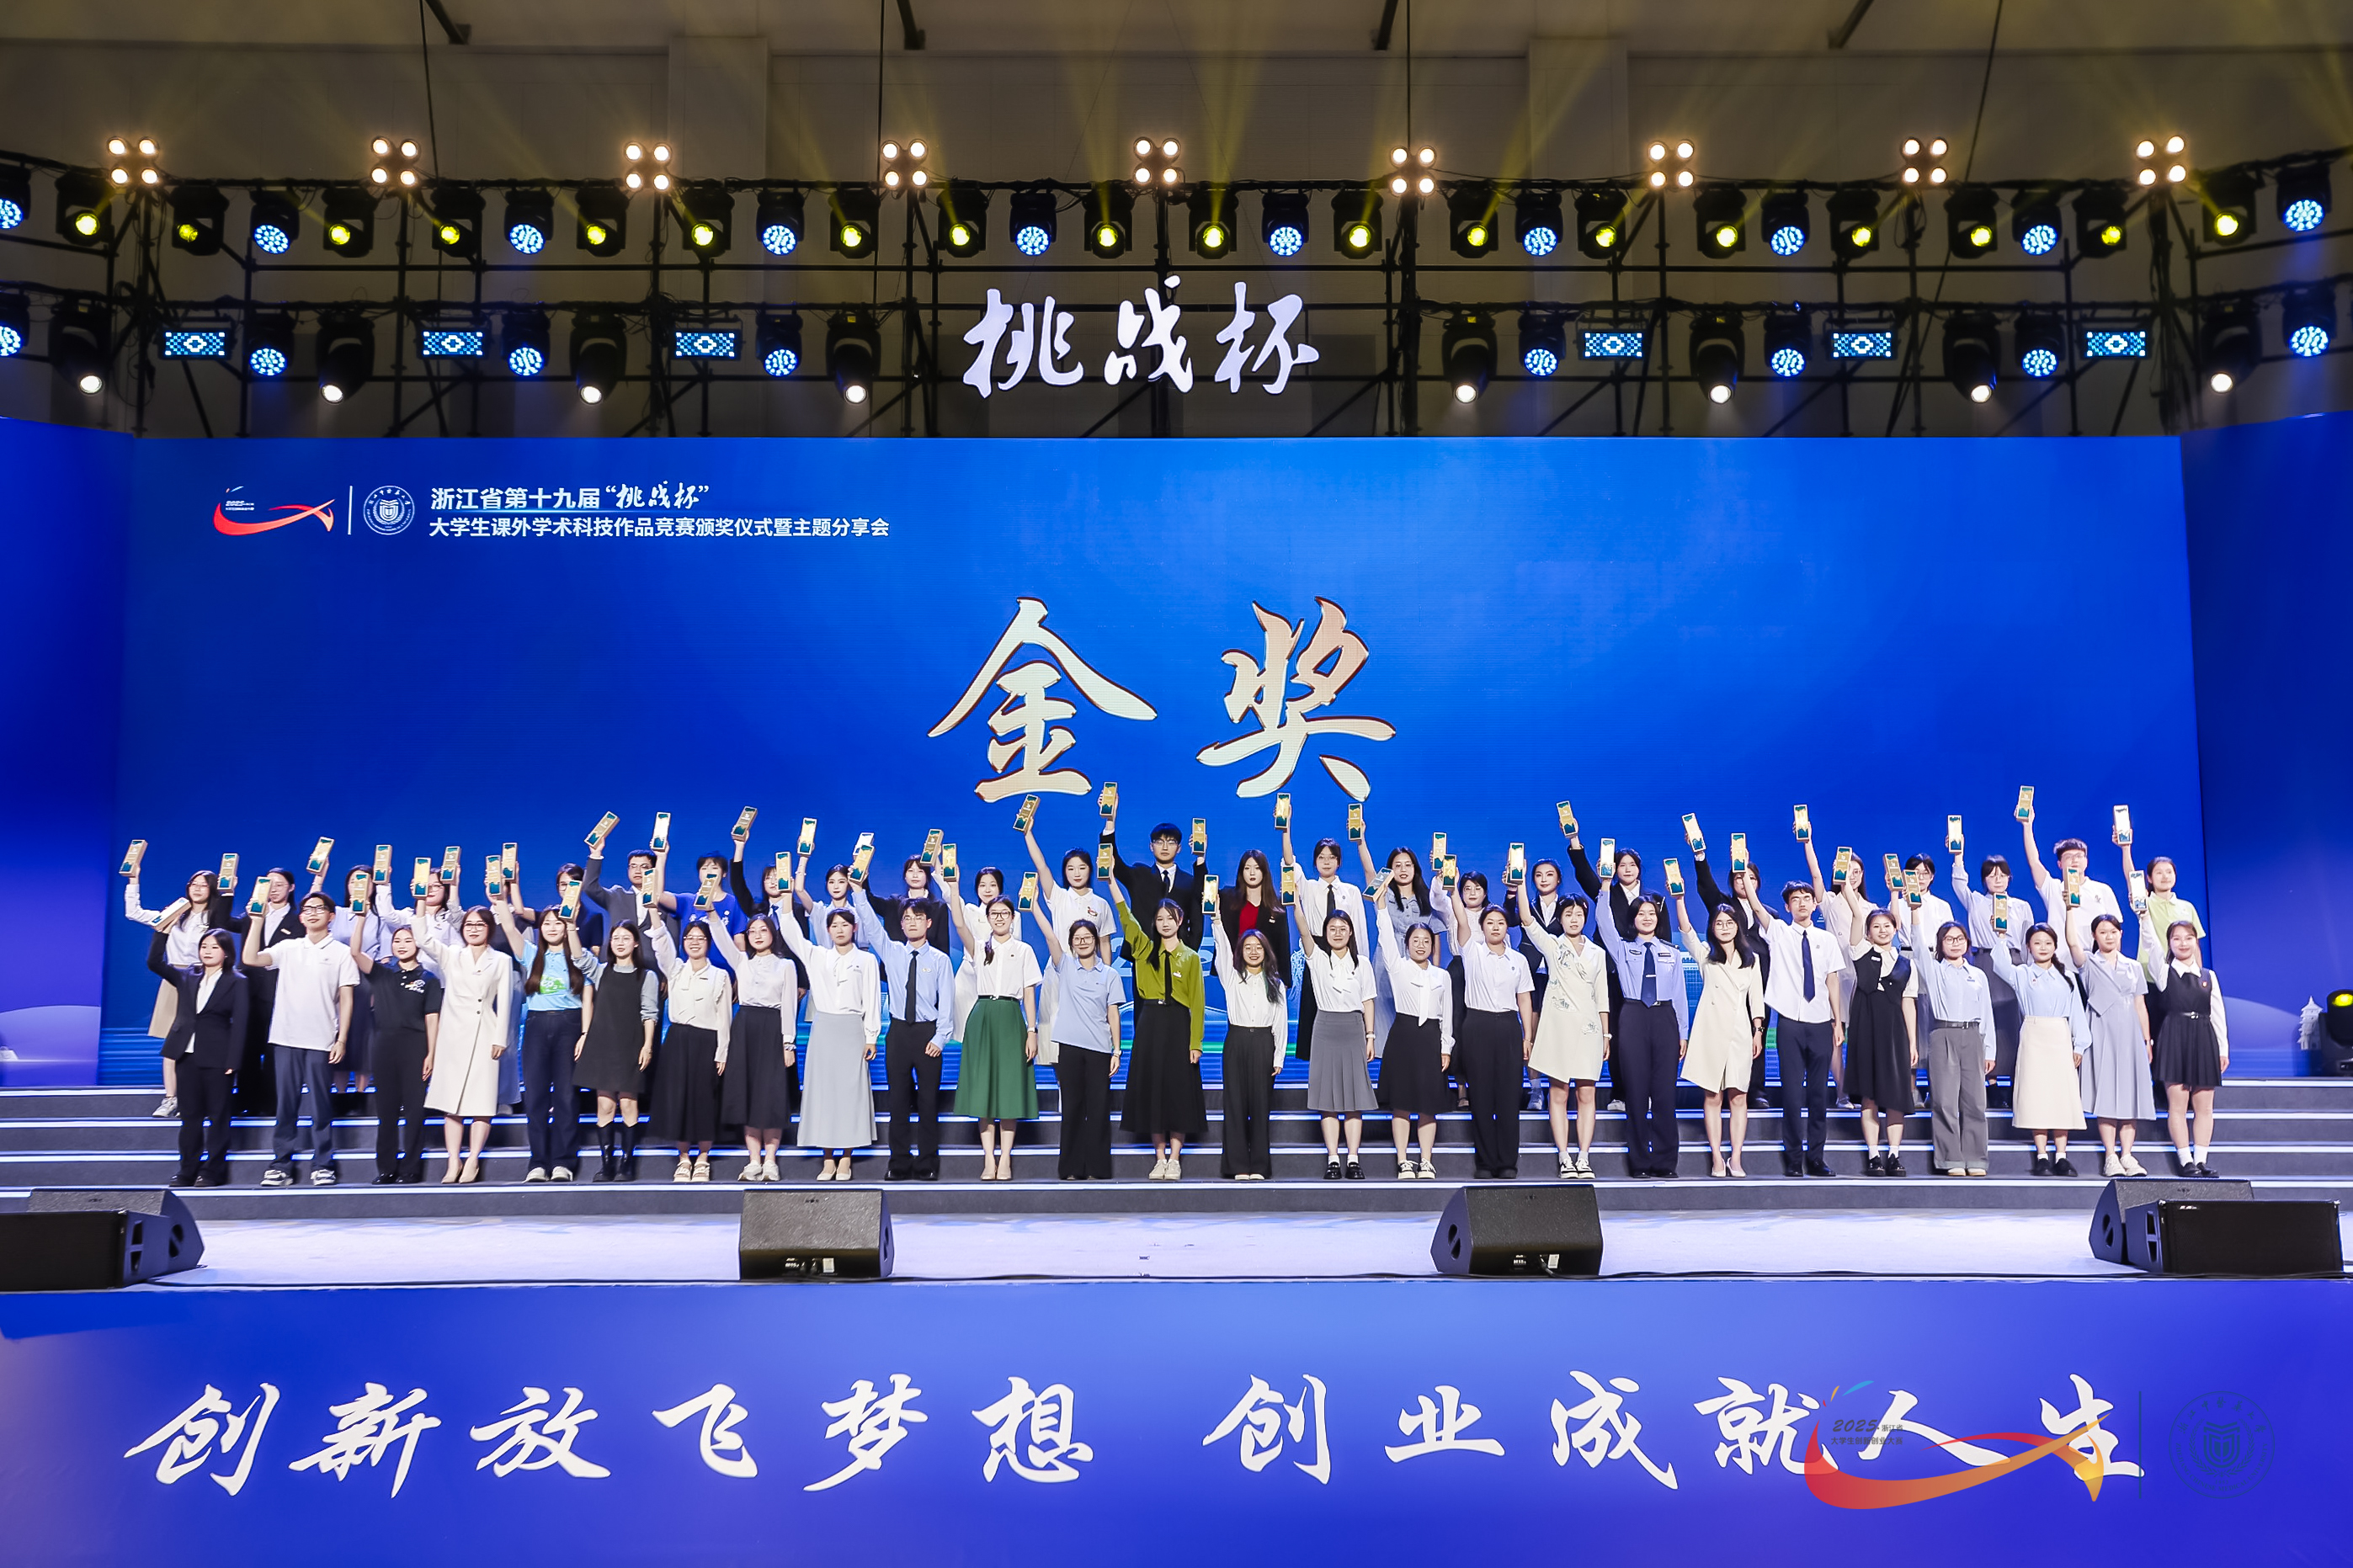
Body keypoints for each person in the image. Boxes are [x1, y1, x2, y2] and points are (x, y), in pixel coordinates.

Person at [242, 890, 358, 1187]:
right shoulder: (289, 947)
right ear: (301, 917)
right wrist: (257, 921)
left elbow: (346, 998)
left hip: (322, 1040)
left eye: (319, 908)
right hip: (286, 1038)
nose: (312, 913)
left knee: (321, 1106)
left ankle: (323, 1163)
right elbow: (250, 958)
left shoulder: (341, 952)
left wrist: (342, 1038)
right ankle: (281, 1164)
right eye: (307, 909)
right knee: (286, 1105)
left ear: (331, 916)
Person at [942, 869, 1041, 1181]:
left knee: (1009, 1091)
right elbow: (959, 923)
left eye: (1004, 913)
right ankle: (988, 1159)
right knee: (983, 1090)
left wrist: (1032, 1030)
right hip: (982, 1016)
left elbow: (1029, 993)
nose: (999, 918)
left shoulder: (1024, 950)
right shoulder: (978, 947)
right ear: (987, 918)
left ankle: (1006, 1158)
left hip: (1011, 1017)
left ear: (1013, 918)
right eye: (994, 914)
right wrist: (954, 885)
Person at [1744, 877, 1847, 1178]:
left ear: (1815, 904)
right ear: (1787, 907)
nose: (1802, 903)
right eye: (1795, 899)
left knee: (1818, 1094)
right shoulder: (1778, 932)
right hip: (1789, 1024)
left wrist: (1837, 1021)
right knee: (1791, 1095)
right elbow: (1756, 906)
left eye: (1807, 898)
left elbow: (1832, 981)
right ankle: (1793, 1158)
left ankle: (1816, 1158)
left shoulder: (1827, 940)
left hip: (1821, 1023)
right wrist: (1742, 867)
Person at [411, 902, 515, 1183]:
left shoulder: (501, 960)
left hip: (485, 1034)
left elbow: (505, 1001)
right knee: (452, 1102)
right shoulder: (452, 954)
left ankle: (473, 1160)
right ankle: (453, 1160)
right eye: (469, 924)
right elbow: (422, 938)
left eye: (480, 924)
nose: (474, 929)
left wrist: (500, 1038)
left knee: (482, 1102)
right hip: (453, 1036)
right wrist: (420, 902)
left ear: (489, 929)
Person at [775, 905, 880, 1181]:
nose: (840, 930)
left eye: (845, 925)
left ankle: (846, 1157)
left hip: (852, 1029)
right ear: (828, 930)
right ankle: (828, 1158)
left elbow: (871, 998)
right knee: (824, 1094)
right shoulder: (817, 955)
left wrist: (871, 1036)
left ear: (854, 928)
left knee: (850, 1095)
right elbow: (791, 934)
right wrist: (786, 901)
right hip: (824, 1030)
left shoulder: (866, 960)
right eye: (834, 925)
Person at [1113, 879, 1209, 1179]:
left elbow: (1198, 1004)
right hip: (1150, 1023)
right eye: (1159, 919)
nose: (1165, 923)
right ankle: (1159, 1158)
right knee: (1154, 1091)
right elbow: (1126, 918)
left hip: (1179, 1024)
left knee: (1178, 1092)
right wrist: (1111, 882)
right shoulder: (1144, 950)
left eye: (1170, 918)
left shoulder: (1191, 958)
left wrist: (1196, 1043)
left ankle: (1175, 1159)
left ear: (1180, 921)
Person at [853, 895, 953, 1181]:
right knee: (897, 1102)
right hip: (898, 1033)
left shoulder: (940, 960)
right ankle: (898, 1162)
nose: (912, 923)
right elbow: (872, 926)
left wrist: (940, 1038)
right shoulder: (892, 951)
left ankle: (927, 1162)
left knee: (928, 1103)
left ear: (929, 923)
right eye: (907, 918)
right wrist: (858, 892)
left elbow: (947, 1004)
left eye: (918, 918)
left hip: (927, 1034)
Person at [125, 862, 236, 1119]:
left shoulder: (215, 919)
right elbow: (134, 913)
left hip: (206, 978)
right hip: (174, 978)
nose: (197, 889)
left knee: (204, 1040)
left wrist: (229, 891)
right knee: (172, 1042)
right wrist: (133, 879)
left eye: (204, 885)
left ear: (212, 890)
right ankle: (170, 1098)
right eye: (193, 884)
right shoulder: (174, 914)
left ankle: (200, 1098)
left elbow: (227, 923)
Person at [1591, 893, 1688, 1177]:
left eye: (1651, 914)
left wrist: (1683, 1033)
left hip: (1664, 1017)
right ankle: (1640, 1163)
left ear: (1658, 919)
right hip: (1633, 1016)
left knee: (1664, 1094)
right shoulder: (1622, 949)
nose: (1647, 918)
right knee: (1635, 1093)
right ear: (1633, 919)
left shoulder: (1672, 952)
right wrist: (1605, 887)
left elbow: (1680, 995)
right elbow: (1603, 921)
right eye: (1641, 913)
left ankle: (1665, 1162)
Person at [1514, 885, 1607, 1177]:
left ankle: (1584, 1157)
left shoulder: (1597, 953)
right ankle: (1565, 1156)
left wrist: (1606, 1035)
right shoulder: (1553, 946)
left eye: (1579, 914)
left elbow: (1602, 997)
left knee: (1587, 1095)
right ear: (1560, 919)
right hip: (1558, 1029)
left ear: (1585, 918)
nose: (1574, 919)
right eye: (1568, 914)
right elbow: (1527, 919)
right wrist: (1519, 883)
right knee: (1558, 1093)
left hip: (1589, 1030)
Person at [145, 921, 247, 1187]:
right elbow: (154, 963)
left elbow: (241, 1023)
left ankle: (212, 1172)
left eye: (214, 947)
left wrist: (234, 1060)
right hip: (186, 1056)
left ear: (226, 952)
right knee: (190, 1117)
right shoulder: (188, 975)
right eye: (204, 947)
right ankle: (187, 1170)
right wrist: (162, 933)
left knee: (218, 1117)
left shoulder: (237, 981)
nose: (208, 951)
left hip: (218, 1058)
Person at [495, 901, 589, 1182]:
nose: (551, 927)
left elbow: (588, 999)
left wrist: (585, 1034)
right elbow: (509, 927)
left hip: (570, 1025)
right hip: (537, 1027)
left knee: (566, 1097)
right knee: (535, 1097)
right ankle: (538, 1162)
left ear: (566, 926)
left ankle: (563, 1162)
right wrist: (499, 896)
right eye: (546, 922)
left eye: (557, 922)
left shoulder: (579, 956)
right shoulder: (531, 954)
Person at [344, 909, 440, 1185]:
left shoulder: (429, 979)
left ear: (417, 944)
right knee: (386, 1112)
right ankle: (386, 1168)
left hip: (415, 1047)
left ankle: (410, 1169)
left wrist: (431, 1054)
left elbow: (432, 1019)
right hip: (384, 1046)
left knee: (414, 1112)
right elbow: (355, 952)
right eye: (397, 941)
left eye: (408, 940)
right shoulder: (382, 973)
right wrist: (361, 917)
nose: (401, 945)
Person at [1988, 922, 2091, 1176]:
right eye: (2037, 943)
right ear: (2028, 947)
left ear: (2055, 946)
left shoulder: (2067, 977)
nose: (2043, 947)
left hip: (2060, 1035)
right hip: (2034, 1035)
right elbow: (2000, 965)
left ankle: (2062, 1156)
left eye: (2048, 943)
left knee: (2061, 1097)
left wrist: (2079, 1044)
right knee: (2037, 1096)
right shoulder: (2022, 974)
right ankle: (2042, 1155)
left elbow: (2077, 1011)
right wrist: (2001, 936)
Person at [1674, 894, 1765, 1179]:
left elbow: (1757, 1000)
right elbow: (1687, 930)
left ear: (1738, 926)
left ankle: (1735, 1157)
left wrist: (1758, 1031)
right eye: (1719, 923)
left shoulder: (1751, 960)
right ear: (1712, 928)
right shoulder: (1706, 956)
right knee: (1713, 1096)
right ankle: (1716, 1156)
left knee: (1739, 1097)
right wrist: (1680, 899)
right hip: (1710, 1031)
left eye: (1729, 922)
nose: (1724, 927)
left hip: (1740, 1033)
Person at [1035, 911, 1126, 1181]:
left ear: (1096, 941)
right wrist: (1034, 905)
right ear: (1071, 943)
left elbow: (1113, 1015)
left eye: (1088, 937)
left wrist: (1117, 1051)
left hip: (1100, 1050)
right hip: (1070, 1049)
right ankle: (1072, 1168)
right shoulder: (1065, 966)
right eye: (1077, 938)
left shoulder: (1110, 974)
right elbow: (1051, 938)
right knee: (1072, 1109)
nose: (1083, 942)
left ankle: (1098, 1168)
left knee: (1098, 1110)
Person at [1905, 911, 1997, 1177]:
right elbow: (1918, 946)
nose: (1955, 943)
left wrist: (1990, 1050)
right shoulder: (1934, 971)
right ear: (1941, 943)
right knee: (1945, 1101)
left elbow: (1987, 1013)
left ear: (1967, 943)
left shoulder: (1978, 975)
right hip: (1943, 1034)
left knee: (1975, 1101)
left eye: (1960, 939)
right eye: (1949, 939)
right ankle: (1950, 1158)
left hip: (1973, 1036)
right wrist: (1915, 910)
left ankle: (1976, 1158)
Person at [1020, 817, 1115, 1069]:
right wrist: (1028, 833)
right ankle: (1065, 1092)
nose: (1076, 873)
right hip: (1059, 974)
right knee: (1056, 1044)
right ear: (1064, 872)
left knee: (1089, 1040)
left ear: (1090, 870)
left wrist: (1105, 978)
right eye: (1071, 868)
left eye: (1082, 868)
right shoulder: (1058, 897)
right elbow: (1041, 866)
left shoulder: (1101, 904)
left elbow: (1105, 944)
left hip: (1091, 977)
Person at [716, 913, 804, 1182]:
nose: (757, 935)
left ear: (772, 934)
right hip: (745, 1028)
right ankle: (753, 1160)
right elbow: (720, 938)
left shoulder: (786, 965)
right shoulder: (742, 961)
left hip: (773, 1028)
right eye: (752, 931)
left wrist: (788, 1042)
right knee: (748, 1094)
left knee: (771, 1095)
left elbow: (789, 1006)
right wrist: (710, 913)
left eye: (762, 930)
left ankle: (770, 1161)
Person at [647, 917, 734, 1183]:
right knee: (679, 1099)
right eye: (689, 938)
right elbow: (662, 944)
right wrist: (653, 912)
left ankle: (703, 1158)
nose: (694, 943)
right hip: (678, 1041)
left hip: (708, 1041)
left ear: (708, 943)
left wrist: (722, 1051)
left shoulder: (720, 976)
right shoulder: (675, 970)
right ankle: (684, 1158)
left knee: (705, 1100)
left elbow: (725, 1017)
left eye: (700, 938)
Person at [2141, 913, 2230, 1176]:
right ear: (2169, 943)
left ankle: (2201, 1160)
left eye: (2188, 938)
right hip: (2174, 1036)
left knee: (2204, 1107)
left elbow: (2218, 1015)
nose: (2183, 943)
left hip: (2204, 1038)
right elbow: (2150, 944)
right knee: (2177, 1106)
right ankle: (2185, 1161)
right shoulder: (2164, 972)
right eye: (2177, 939)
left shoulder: (2208, 976)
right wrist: (2144, 918)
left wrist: (2222, 1049)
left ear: (2196, 942)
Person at [2068, 913, 2155, 1176]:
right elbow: (2072, 942)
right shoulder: (2088, 963)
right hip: (2101, 1031)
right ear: (2094, 936)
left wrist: (2147, 1040)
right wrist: (2069, 908)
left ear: (2121, 934)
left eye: (2113, 931)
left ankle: (2127, 1155)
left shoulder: (2133, 967)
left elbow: (2140, 1005)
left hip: (2130, 1034)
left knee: (2130, 1095)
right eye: (2103, 932)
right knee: (2106, 1094)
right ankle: (2110, 1156)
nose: (2109, 936)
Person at [1370, 907, 1451, 1179]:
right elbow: (1385, 937)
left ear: (1432, 946)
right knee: (1402, 1103)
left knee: (1429, 1104)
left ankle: (1426, 1161)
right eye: (1415, 940)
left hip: (1431, 1039)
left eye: (1426, 941)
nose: (1420, 945)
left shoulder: (1442, 976)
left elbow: (1447, 1015)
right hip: (1403, 1038)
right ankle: (1403, 1160)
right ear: (1406, 944)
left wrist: (1446, 1048)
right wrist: (1381, 907)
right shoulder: (1399, 968)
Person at [1456, 902, 1536, 1179]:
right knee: (1480, 1096)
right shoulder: (1472, 951)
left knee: (1508, 1096)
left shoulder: (1518, 960)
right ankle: (1485, 1162)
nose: (1495, 927)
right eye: (1490, 922)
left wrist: (1528, 1036)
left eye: (1500, 923)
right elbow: (1460, 919)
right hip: (1477, 1025)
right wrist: (1450, 887)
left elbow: (1524, 999)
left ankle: (1507, 1162)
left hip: (1508, 1027)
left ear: (1506, 928)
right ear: (1482, 927)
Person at [576, 921, 660, 1182]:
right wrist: (570, 927)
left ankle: (627, 1163)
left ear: (635, 943)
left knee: (628, 1102)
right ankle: (607, 1164)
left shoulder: (647, 976)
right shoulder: (602, 971)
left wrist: (647, 1045)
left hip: (631, 1044)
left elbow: (650, 1013)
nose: (620, 942)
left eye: (625, 938)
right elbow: (579, 958)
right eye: (615, 938)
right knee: (604, 1105)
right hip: (603, 1045)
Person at [1299, 905, 1379, 1179]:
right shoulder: (1318, 959)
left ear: (1351, 932)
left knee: (1354, 1098)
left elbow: (1368, 1001)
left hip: (1354, 1029)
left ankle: (1353, 1159)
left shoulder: (1363, 963)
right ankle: (1333, 1159)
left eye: (1342, 929)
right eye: (1332, 929)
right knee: (1328, 1099)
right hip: (1325, 1028)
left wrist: (1370, 1036)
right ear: (1325, 933)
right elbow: (1302, 928)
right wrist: (1294, 901)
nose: (1337, 933)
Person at [1567, 830, 1644, 1108]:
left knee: (1641, 1035)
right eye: (1621, 865)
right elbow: (1584, 873)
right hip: (1610, 974)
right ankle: (1620, 1093)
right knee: (1615, 1034)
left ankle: (1642, 1092)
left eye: (1632, 865)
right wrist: (1574, 840)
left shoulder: (1653, 900)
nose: (1627, 869)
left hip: (1640, 976)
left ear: (1639, 869)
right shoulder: (1605, 892)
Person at [1951, 844, 2033, 1106]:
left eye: (2002, 874)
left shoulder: (2021, 906)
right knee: (1986, 1020)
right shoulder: (1976, 901)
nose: (1997, 879)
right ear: (1984, 879)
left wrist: (2030, 972)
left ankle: (2016, 1080)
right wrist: (1958, 854)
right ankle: (1991, 1082)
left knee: (2013, 1021)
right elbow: (1959, 883)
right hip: (1985, 961)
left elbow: (2029, 942)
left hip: (2014, 961)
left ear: (2010, 878)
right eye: (1991, 875)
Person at [1840, 907, 1917, 1175]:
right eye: (1876, 926)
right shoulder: (1860, 953)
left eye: (1887, 926)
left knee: (1896, 1096)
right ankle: (1874, 1155)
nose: (1882, 930)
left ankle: (1894, 1154)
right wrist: (1847, 888)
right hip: (1866, 1029)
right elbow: (1856, 916)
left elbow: (1908, 1004)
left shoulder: (1907, 964)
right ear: (1868, 932)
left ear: (1895, 930)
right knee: (1869, 1096)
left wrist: (1913, 1043)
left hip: (1895, 1032)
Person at [1214, 928, 1289, 1180]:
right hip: (1237, 1041)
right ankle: (1237, 1166)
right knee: (1234, 1104)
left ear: (1266, 951)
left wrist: (1279, 1057)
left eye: (1258, 947)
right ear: (1240, 952)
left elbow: (1281, 1023)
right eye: (1248, 947)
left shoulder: (1276, 983)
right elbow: (1222, 947)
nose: (1253, 952)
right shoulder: (1232, 977)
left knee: (1261, 1105)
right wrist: (1216, 921)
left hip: (1263, 1043)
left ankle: (1259, 1165)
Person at [2020, 803, 2121, 954]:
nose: (2074, 860)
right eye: (2068, 857)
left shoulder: (2103, 890)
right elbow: (2034, 862)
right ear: (2060, 864)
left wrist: (2113, 962)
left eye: (2079, 856)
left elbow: (2115, 930)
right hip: (2062, 960)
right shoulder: (2054, 888)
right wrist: (2027, 826)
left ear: (2086, 861)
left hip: (2096, 960)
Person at [1102, 812, 1207, 955]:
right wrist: (1110, 821)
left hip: (1179, 956)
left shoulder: (1189, 882)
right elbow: (1114, 862)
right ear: (1151, 846)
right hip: (1143, 955)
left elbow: (1197, 918)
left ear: (1179, 848)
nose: (1165, 847)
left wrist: (1201, 856)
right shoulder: (1139, 875)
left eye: (1171, 842)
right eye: (1159, 842)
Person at [1216, 848, 1293, 981]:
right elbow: (1202, 893)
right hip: (1234, 972)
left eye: (1257, 868)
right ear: (1241, 872)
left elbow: (1283, 945)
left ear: (1264, 872)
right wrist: (1200, 858)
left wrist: (1284, 980)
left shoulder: (1276, 906)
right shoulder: (1227, 898)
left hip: (1266, 973)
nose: (1252, 873)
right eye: (1247, 868)